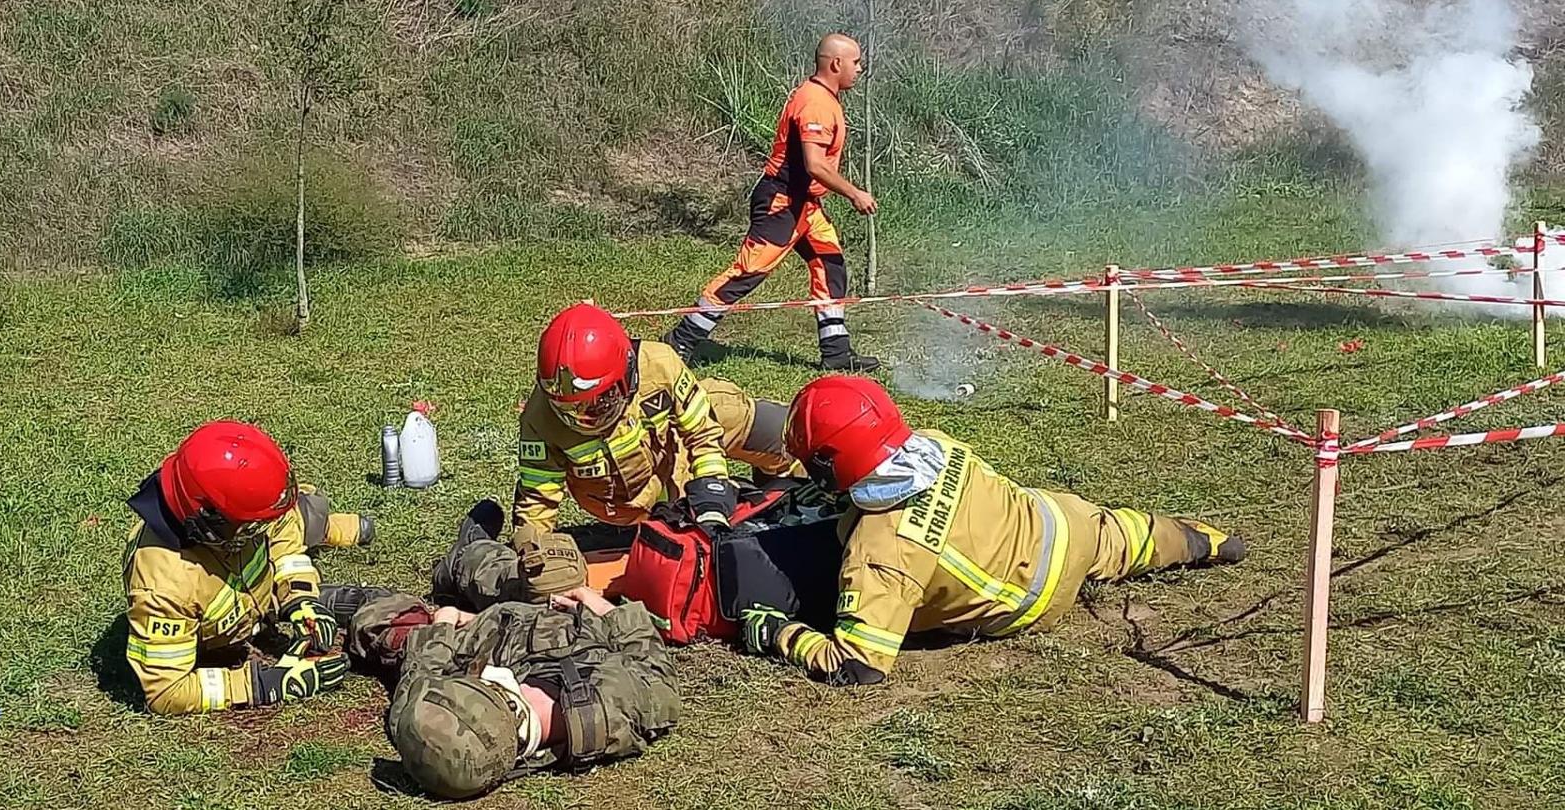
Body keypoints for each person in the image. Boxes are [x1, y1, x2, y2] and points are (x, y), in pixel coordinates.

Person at [739, 376, 1246, 685]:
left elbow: (859, 667)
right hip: (1065, 527)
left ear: (830, 465)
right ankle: (1206, 541)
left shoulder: (881, 552)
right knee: (1127, 536)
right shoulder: (935, 443)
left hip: (1030, 603)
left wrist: (778, 634)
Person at [329, 503, 679, 799]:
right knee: (552, 573)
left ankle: (434, 570)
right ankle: (471, 553)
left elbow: (422, 672)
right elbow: (654, 667)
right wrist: (592, 601)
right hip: (564, 621)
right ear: (504, 698)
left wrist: (445, 625)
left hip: (490, 637)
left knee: (391, 627)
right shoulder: (615, 706)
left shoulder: (438, 721)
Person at [120, 420, 375, 714]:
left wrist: (301, 597)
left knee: (306, 511)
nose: (263, 528)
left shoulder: (239, 512)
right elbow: (166, 692)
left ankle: (325, 526)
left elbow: (282, 531)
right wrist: (265, 684)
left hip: (255, 595)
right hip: (227, 631)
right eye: (253, 527)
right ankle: (322, 526)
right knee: (300, 518)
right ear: (208, 524)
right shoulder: (162, 589)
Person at [664, 33, 882, 371]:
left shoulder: (823, 97)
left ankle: (837, 354)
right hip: (783, 203)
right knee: (747, 272)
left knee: (830, 265)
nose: (860, 69)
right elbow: (815, 164)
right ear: (836, 64)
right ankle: (681, 341)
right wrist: (854, 193)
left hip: (807, 206)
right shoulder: (816, 103)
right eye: (856, 62)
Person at [517, 302, 801, 534]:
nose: (583, 417)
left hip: (671, 445)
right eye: (568, 409)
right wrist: (535, 551)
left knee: (773, 425)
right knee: (682, 529)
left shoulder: (659, 364)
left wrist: (712, 487)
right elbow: (537, 500)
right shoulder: (539, 419)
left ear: (627, 375)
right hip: (634, 500)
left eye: (600, 401)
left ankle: (799, 485)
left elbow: (702, 433)